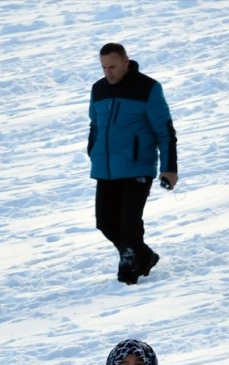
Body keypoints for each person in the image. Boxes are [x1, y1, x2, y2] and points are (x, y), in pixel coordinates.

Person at [87, 43, 178, 285]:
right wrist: (92, 150)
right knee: (105, 222)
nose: (109, 72)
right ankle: (143, 255)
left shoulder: (148, 88)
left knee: (129, 223)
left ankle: (130, 269)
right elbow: (94, 125)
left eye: (113, 67)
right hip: (105, 169)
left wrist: (169, 169)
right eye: (104, 67)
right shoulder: (98, 89)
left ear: (126, 62)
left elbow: (165, 131)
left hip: (137, 167)